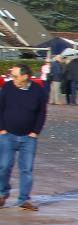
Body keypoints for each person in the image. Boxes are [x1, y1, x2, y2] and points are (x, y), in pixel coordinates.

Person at [0, 64, 49, 211]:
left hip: (28, 138)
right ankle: (2, 194)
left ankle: (24, 199)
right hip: (7, 135)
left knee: (26, 169)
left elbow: (42, 112)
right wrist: (2, 129)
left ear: (25, 76)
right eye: (12, 76)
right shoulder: (8, 87)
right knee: (4, 166)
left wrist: (35, 132)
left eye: (15, 76)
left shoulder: (38, 91)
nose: (13, 79)